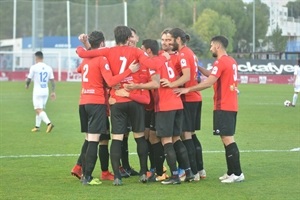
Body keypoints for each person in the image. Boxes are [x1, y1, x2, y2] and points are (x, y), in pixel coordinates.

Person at [76, 26, 169, 186]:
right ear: (128, 38)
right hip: (135, 100)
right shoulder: (137, 52)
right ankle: (143, 172)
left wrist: (81, 46)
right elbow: (152, 64)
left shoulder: (108, 51)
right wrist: (164, 58)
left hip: (116, 99)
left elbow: (85, 54)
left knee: (117, 138)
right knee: (139, 136)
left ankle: (117, 176)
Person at [174, 35, 245, 183]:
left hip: (223, 105)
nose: (210, 48)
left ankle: (237, 173)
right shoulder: (230, 61)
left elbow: (209, 82)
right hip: (230, 104)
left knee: (228, 138)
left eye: (212, 45)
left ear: (218, 46)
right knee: (225, 138)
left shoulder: (220, 62)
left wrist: (189, 90)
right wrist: (197, 67)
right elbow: (212, 74)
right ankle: (231, 171)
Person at [75, 30, 139, 185]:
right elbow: (111, 82)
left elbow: (79, 70)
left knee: (90, 138)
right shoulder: (102, 59)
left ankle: (82, 170)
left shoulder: (87, 60)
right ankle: (87, 177)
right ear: (102, 43)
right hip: (96, 102)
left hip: (83, 101)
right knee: (94, 141)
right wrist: (130, 70)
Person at [161, 28, 205, 181]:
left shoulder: (184, 54)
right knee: (191, 135)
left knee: (185, 136)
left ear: (177, 40)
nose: (169, 42)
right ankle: (199, 169)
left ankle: (192, 172)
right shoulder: (189, 53)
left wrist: (172, 84)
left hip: (188, 97)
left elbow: (186, 76)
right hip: (194, 97)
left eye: (171, 39)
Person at [25, 51, 55, 133]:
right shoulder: (48, 67)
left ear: (36, 58)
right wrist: (53, 92)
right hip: (46, 91)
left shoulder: (34, 67)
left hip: (37, 91)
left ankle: (49, 123)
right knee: (40, 109)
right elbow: (52, 81)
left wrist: (27, 85)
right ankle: (37, 126)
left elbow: (29, 78)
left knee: (38, 109)